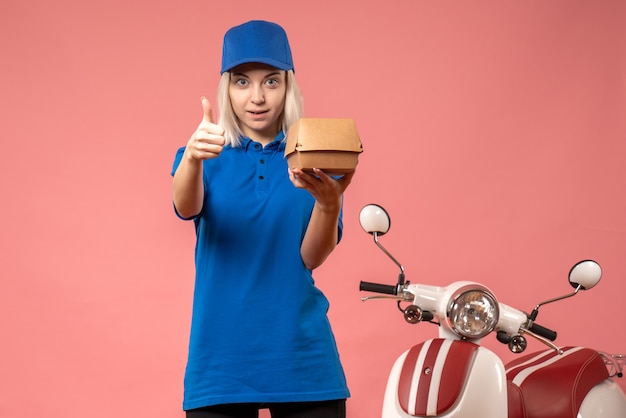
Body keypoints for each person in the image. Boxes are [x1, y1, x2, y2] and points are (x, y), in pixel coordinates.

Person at [171, 20, 355, 418]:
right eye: (242, 82)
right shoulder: (205, 154)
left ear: (288, 86)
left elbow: (310, 258)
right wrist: (191, 156)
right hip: (220, 363)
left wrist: (328, 205)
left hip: (303, 359)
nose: (257, 97)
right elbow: (186, 206)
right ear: (226, 88)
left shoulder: (313, 154)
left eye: (270, 82)